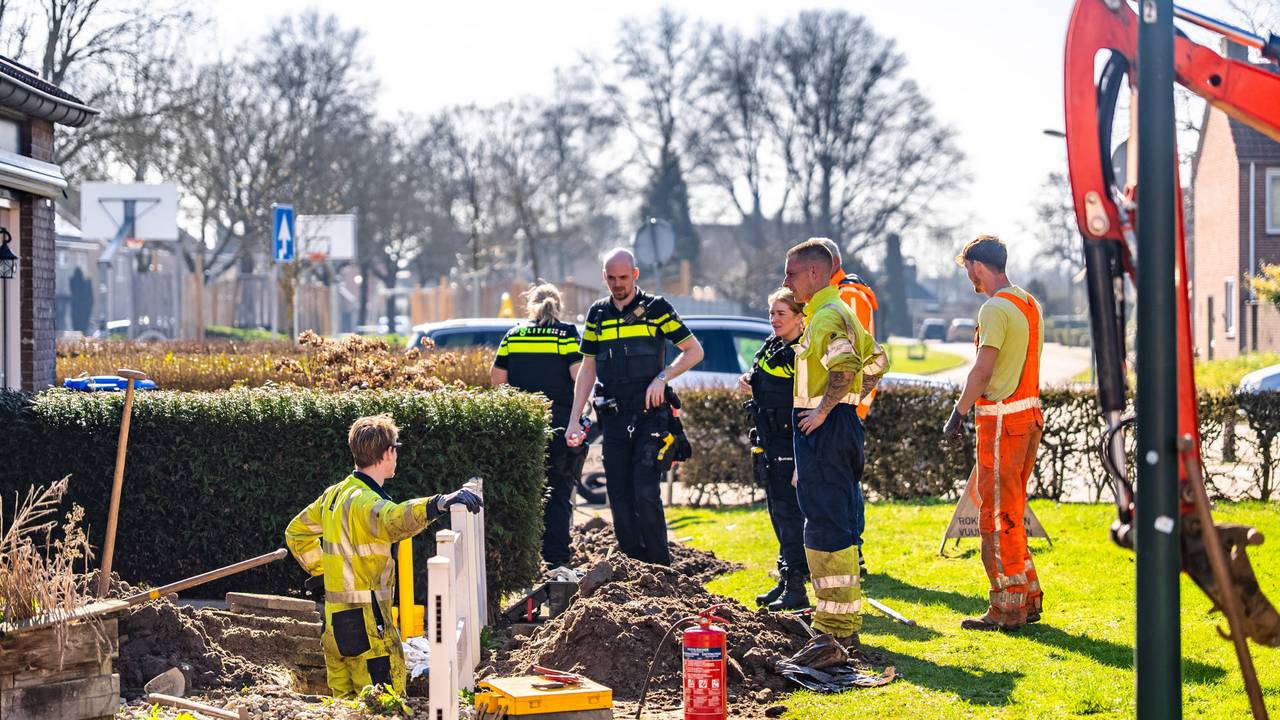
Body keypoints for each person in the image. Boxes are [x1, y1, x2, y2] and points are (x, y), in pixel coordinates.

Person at [284, 414, 483, 697]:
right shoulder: (365, 501)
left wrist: (324, 573)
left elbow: (296, 533)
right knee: (384, 703)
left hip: (334, 624)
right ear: (388, 452)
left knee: (344, 707)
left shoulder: (334, 495)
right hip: (367, 628)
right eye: (396, 448)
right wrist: (439, 503)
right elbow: (395, 519)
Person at [565, 248, 704, 566]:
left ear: (636, 275)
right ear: (604, 277)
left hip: (650, 416)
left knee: (645, 492)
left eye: (624, 277)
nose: (618, 284)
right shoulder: (597, 314)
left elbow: (694, 351)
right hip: (614, 418)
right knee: (619, 495)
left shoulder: (657, 308)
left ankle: (660, 568)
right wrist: (575, 419)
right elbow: (587, 369)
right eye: (612, 278)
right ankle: (634, 570)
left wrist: (662, 378)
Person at [782, 239, 887, 649]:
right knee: (831, 520)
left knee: (826, 525)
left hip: (824, 431)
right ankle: (834, 623)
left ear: (813, 272)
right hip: (837, 427)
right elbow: (878, 361)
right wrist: (848, 403)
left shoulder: (827, 316)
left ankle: (836, 628)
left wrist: (825, 411)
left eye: (791, 273)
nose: (786, 282)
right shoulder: (838, 311)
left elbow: (845, 366)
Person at [944, 235, 1045, 631]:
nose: (968, 276)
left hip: (1002, 421)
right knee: (1012, 511)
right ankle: (1028, 597)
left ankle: (1006, 608)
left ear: (977, 266)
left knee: (997, 515)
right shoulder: (1028, 302)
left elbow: (983, 371)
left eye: (967, 268)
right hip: (1028, 416)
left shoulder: (994, 308)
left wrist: (958, 412)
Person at [490, 283, 585, 568]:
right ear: (558, 305)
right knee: (558, 493)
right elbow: (579, 377)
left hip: (524, 428)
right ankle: (556, 560)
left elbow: (497, 380)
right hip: (560, 425)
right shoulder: (567, 335)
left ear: (530, 305)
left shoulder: (514, 335)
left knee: (525, 494)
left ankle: (525, 562)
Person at [737, 287, 808, 610]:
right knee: (777, 513)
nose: (774, 319)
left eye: (781, 314)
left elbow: (807, 402)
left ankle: (797, 587)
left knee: (790, 516)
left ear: (799, 317)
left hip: (789, 442)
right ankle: (785, 577)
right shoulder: (772, 345)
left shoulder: (802, 353)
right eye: (771, 313)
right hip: (767, 440)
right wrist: (748, 379)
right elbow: (760, 374)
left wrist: (802, 461)